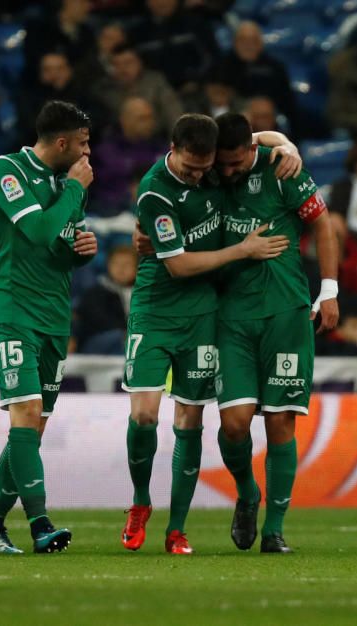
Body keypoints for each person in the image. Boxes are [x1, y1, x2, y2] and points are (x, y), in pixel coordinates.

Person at [122, 115, 294, 556]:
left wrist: (288, 146)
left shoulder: (217, 162)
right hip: (156, 310)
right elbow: (177, 266)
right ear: (173, 147)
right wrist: (242, 250)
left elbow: (258, 138)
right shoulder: (156, 190)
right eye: (191, 167)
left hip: (204, 314)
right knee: (143, 415)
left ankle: (176, 529)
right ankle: (140, 502)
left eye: (205, 168)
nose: (200, 175)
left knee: (190, 419)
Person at [211, 113, 339, 554]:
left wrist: (330, 291)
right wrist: (281, 137)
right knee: (233, 424)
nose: (226, 171)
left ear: (251, 150)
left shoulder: (281, 170)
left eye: (234, 162)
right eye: (220, 163)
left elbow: (323, 225)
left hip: (286, 313)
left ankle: (275, 529)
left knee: (281, 421)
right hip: (230, 317)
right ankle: (247, 492)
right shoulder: (206, 168)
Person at [0, 100, 97, 555]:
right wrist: (74, 192)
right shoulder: (6, 171)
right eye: (82, 145)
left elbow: (59, 246)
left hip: (53, 315)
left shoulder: (67, 185)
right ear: (61, 142)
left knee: (33, 427)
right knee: (24, 412)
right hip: (11, 309)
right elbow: (41, 231)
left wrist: (82, 249)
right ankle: (40, 524)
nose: (88, 155)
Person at [74, 244, 135, 354]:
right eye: (116, 264)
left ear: (136, 268)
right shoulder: (96, 292)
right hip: (98, 343)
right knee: (119, 338)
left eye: (127, 264)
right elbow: (97, 321)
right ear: (108, 266)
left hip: (129, 338)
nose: (121, 269)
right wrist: (124, 332)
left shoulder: (142, 293)